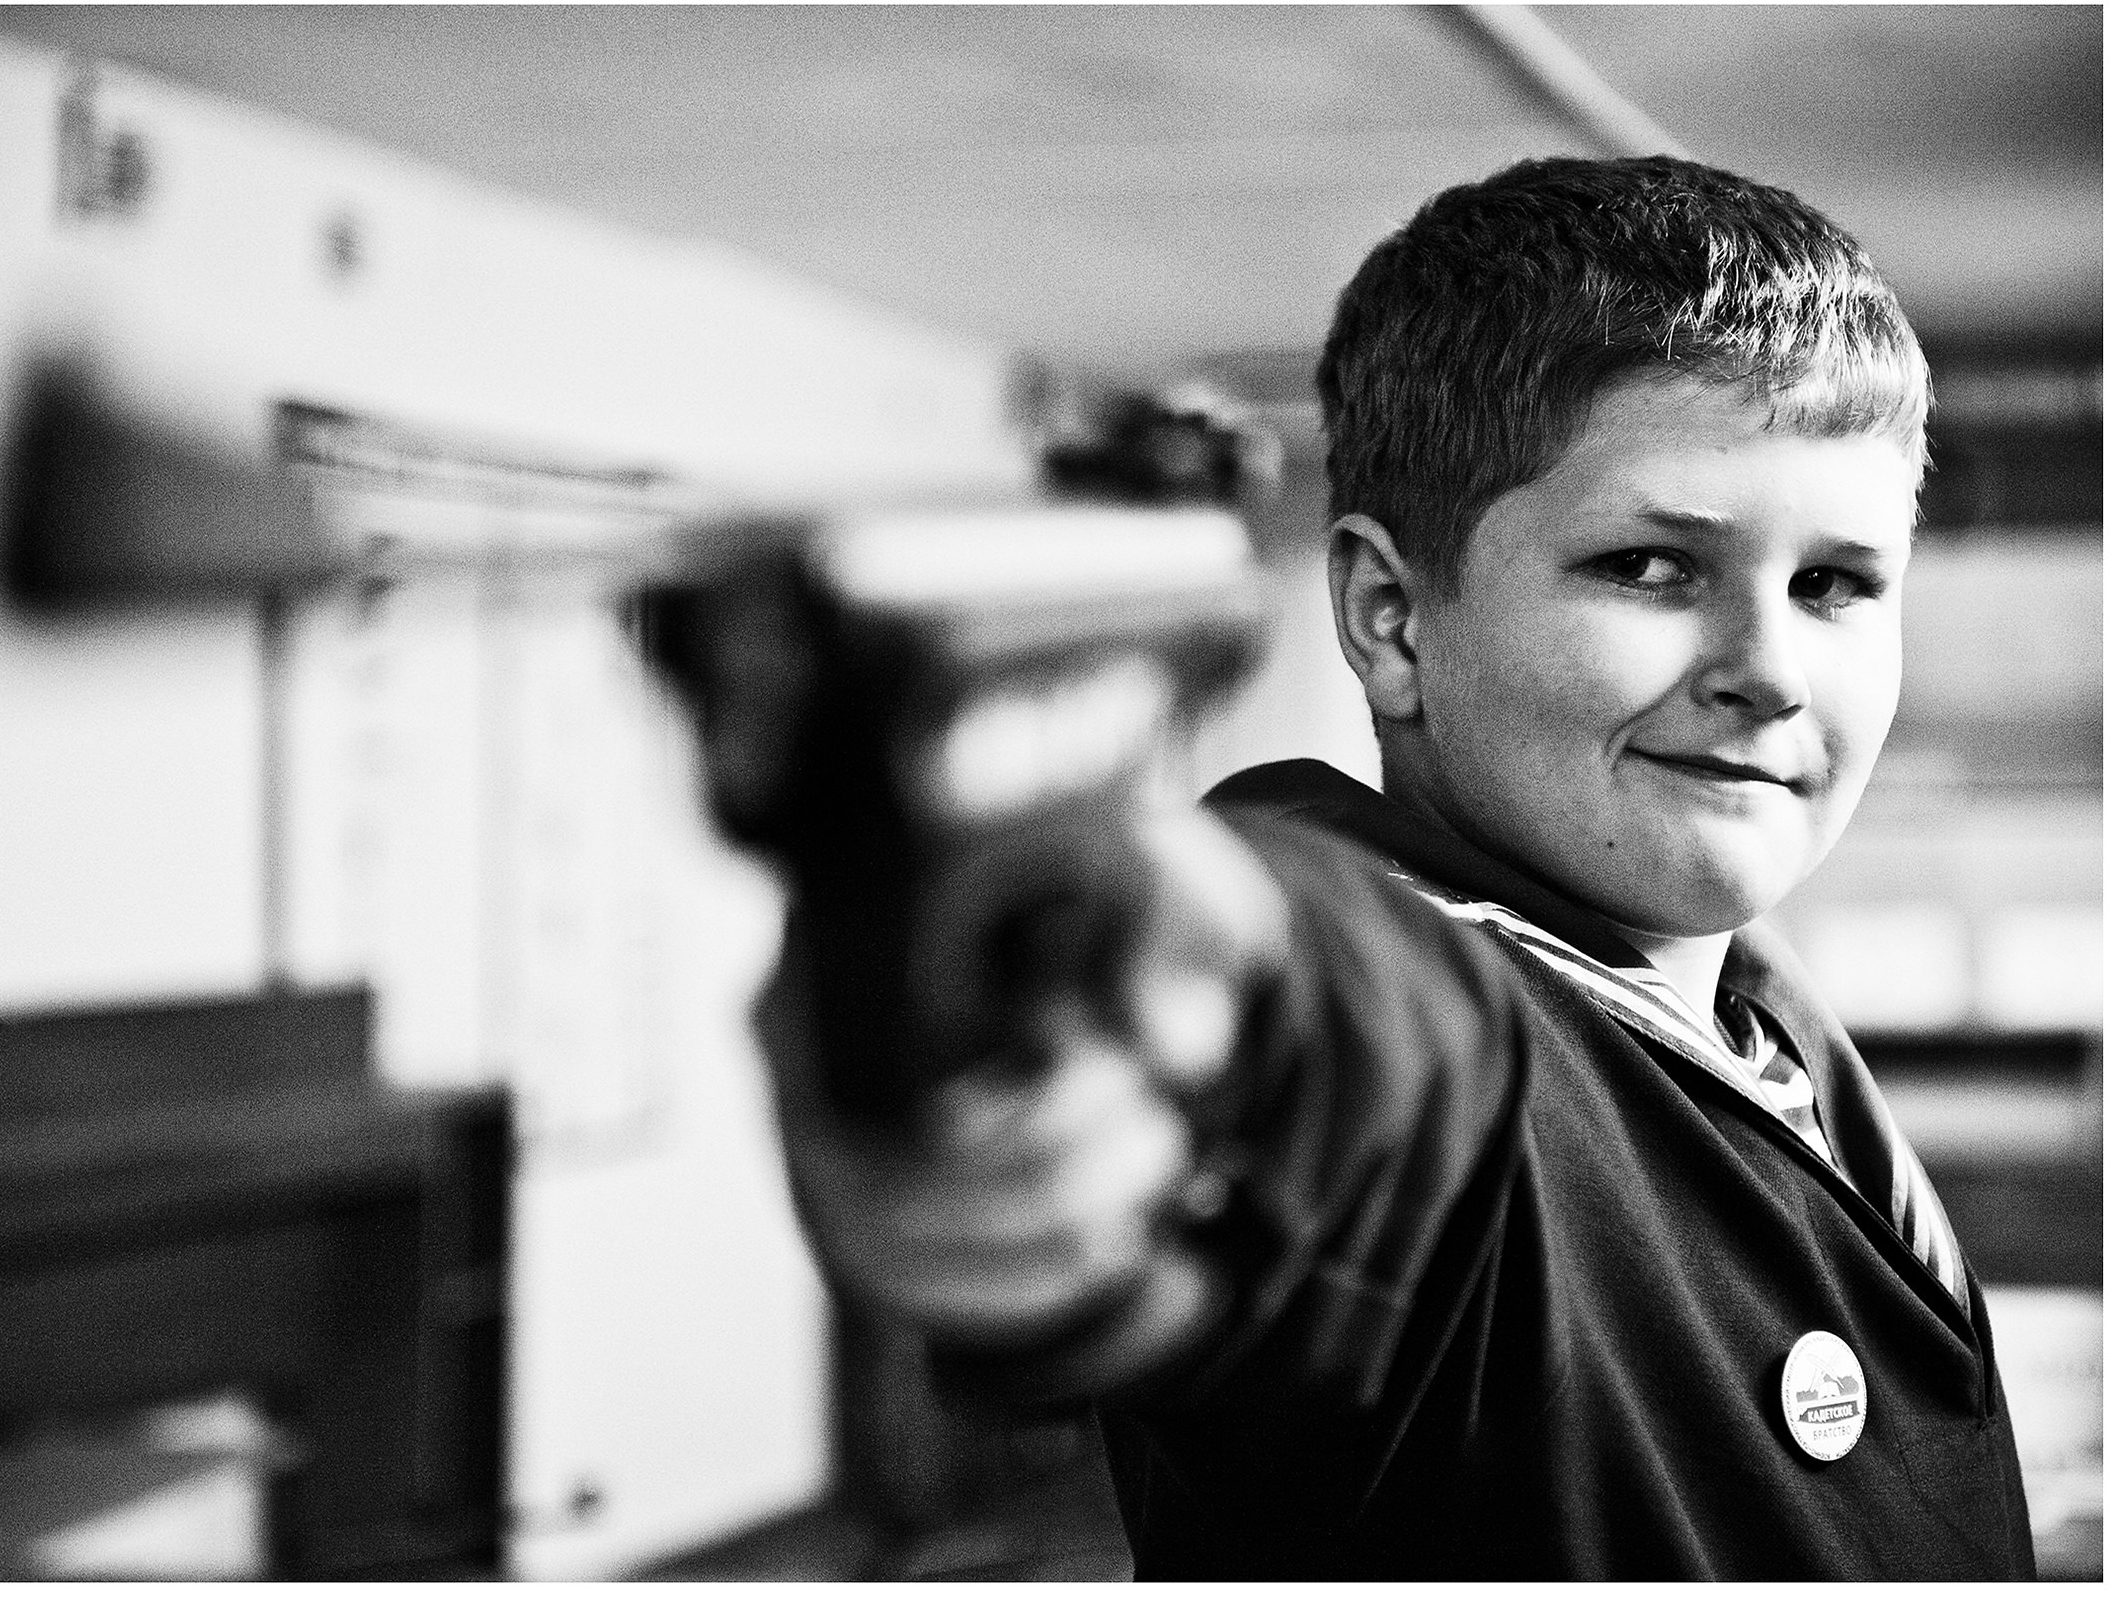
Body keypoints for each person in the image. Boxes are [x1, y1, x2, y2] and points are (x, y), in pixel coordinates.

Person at [760, 155, 2033, 1579]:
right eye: (1651, 568)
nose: (1772, 672)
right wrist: (1092, 1006)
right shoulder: (1438, 1043)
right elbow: (1341, 1031)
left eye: (1836, 585)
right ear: (1388, 617)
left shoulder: (1750, 1011)